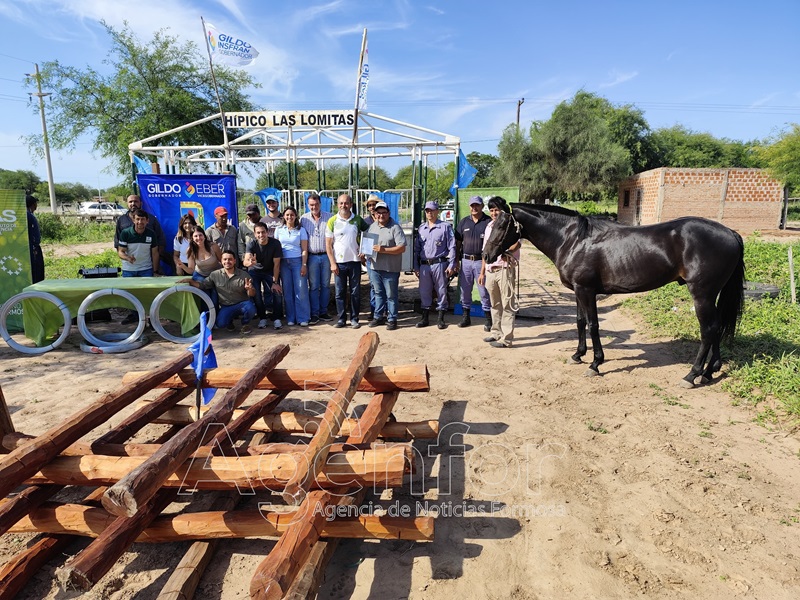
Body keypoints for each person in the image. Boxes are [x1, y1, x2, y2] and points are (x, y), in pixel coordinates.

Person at [180, 250, 257, 334]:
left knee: (250, 308)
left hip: (242, 304)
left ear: (235, 261)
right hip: (226, 306)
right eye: (225, 259)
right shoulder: (215, 275)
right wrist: (190, 281)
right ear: (221, 261)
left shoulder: (244, 275)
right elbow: (203, 285)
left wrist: (249, 289)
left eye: (230, 259)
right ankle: (229, 322)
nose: (227, 261)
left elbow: (252, 294)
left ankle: (245, 324)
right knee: (220, 324)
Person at [479, 197, 522, 348]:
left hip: (505, 268)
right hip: (491, 270)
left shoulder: (511, 225)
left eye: (496, 209)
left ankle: (507, 338)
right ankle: (496, 332)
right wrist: (482, 272)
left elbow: (518, 243)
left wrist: (508, 252)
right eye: (491, 210)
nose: (494, 213)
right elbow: (485, 251)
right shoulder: (489, 226)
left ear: (502, 210)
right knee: (495, 304)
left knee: (508, 304)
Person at [326, 193, 369, 329]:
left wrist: (364, 253)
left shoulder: (357, 220)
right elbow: (328, 244)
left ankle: (355, 319)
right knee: (340, 292)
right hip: (339, 263)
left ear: (351, 204)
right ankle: (341, 318)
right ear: (337, 205)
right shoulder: (332, 221)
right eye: (341, 203)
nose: (344, 205)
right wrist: (332, 263)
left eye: (346, 203)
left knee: (355, 292)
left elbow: (368, 234)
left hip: (355, 261)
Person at [414, 200, 456, 329]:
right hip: (424, 265)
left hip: (439, 264)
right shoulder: (422, 228)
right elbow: (417, 249)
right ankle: (425, 317)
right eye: (427, 210)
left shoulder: (445, 227)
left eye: (432, 210)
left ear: (437, 211)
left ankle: (441, 317)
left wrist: (451, 265)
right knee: (424, 291)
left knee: (441, 290)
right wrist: (416, 266)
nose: (429, 213)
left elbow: (452, 247)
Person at [364, 201, 406, 330]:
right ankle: (378, 316)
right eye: (378, 213)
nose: (381, 215)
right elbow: (368, 244)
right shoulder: (372, 227)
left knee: (391, 295)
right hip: (374, 267)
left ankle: (392, 319)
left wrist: (384, 250)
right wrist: (364, 252)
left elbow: (402, 248)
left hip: (390, 268)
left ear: (388, 213)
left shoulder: (395, 227)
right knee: (378, 293)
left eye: (384, 212)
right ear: (375, 214)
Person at [455, 195, 492, 330]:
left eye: (477, 205)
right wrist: (455, 261)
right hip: (465, 261)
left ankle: (489, 319)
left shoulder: (488, 222)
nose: (474, 208)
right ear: (469, 207)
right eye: (472, 205)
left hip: (481, 262)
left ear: (482, 206)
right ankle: (466, 317)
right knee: (465, 291)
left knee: (484, 291)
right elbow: (458, 243)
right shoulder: (464, 222)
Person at [243, 221, 283, 330]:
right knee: (256, 295)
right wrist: (251, 262)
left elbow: (277, 265)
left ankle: (277, 318)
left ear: (267, 232)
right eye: (258, 233)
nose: (261, 235)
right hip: (255, 272)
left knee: (277, 292)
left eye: (263, 232)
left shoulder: (275, 244)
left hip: (270, 270)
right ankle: (262, 318)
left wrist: (275, 282)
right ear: (255, 234)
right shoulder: (251, 244)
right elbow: (245, 262)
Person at [275, 206, 311, 326]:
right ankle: (291, 318)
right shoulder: (278, 230)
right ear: (284, 216)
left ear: (296, 216)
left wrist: (304, 264)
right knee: (288, 290)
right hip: (284, 263)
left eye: (292, 215)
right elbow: (276, 249)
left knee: (301, 290)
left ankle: (303, 318)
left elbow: (304, 249)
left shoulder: (301, 230)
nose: (289, 217)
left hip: (297, 262)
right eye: (287, 215)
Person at [300, 193, 333, 323]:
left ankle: (323, 312)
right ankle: (314, 313)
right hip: (312, 257)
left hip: (326, 256)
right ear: (308, 205)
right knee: (313, 286)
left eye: (316, 204)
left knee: (325, 285)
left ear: (320, 204)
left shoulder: (330, 217)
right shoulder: (304, 219)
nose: (314, 207)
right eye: (311, 205)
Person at [115, 194, 166, 274]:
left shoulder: (151, 219)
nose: (133, 204)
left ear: (141, 203)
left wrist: (155, 265)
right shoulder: (121, 220)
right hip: (129, 268)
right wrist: (126, 258)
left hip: (148, 266)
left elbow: (160, 240)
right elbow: (118, 243)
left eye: (136, 201)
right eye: (130, 202)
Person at [117, 209, 159, 277]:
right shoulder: (125, 233)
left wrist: (155, 271)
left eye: (142, 219)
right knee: (128, 288)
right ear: (133, 220)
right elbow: (120, 252)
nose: (140, 222)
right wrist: (128, 258)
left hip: (146, 269)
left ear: (147, 221)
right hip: (128, 270)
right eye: (137, 219)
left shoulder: (151, 234)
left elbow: (155, 253)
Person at [362, 194, 380, 318]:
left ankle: (383, 311)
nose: (372, 207)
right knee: (373, 285)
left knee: (384, 285)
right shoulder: (365, 222)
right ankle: (374, 311)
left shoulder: (385, 219)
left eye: (374, 204)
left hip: (384, 256)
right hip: (370, 257)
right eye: (370, 205)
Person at [25, 194, 44, 283]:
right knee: (36, 272)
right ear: (33, 204)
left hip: (23, 249)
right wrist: (35, 246)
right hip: (32, 248)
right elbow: (36, 237)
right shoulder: (30, 216)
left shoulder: (19, 216)